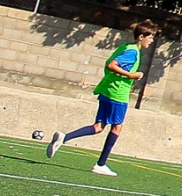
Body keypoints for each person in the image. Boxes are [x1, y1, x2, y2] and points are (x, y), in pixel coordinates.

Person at [46, 22, 155, 176]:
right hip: (117, 94)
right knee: (117, 128)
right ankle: (100, 164)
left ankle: (64, 138)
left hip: (107, 91)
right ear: (141, 37)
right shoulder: (132, 52)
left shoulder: (126, 47)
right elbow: (112, 65)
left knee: (98, 127)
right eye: (150, 37)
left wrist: (131, 74)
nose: (151, 41)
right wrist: (131, 75)